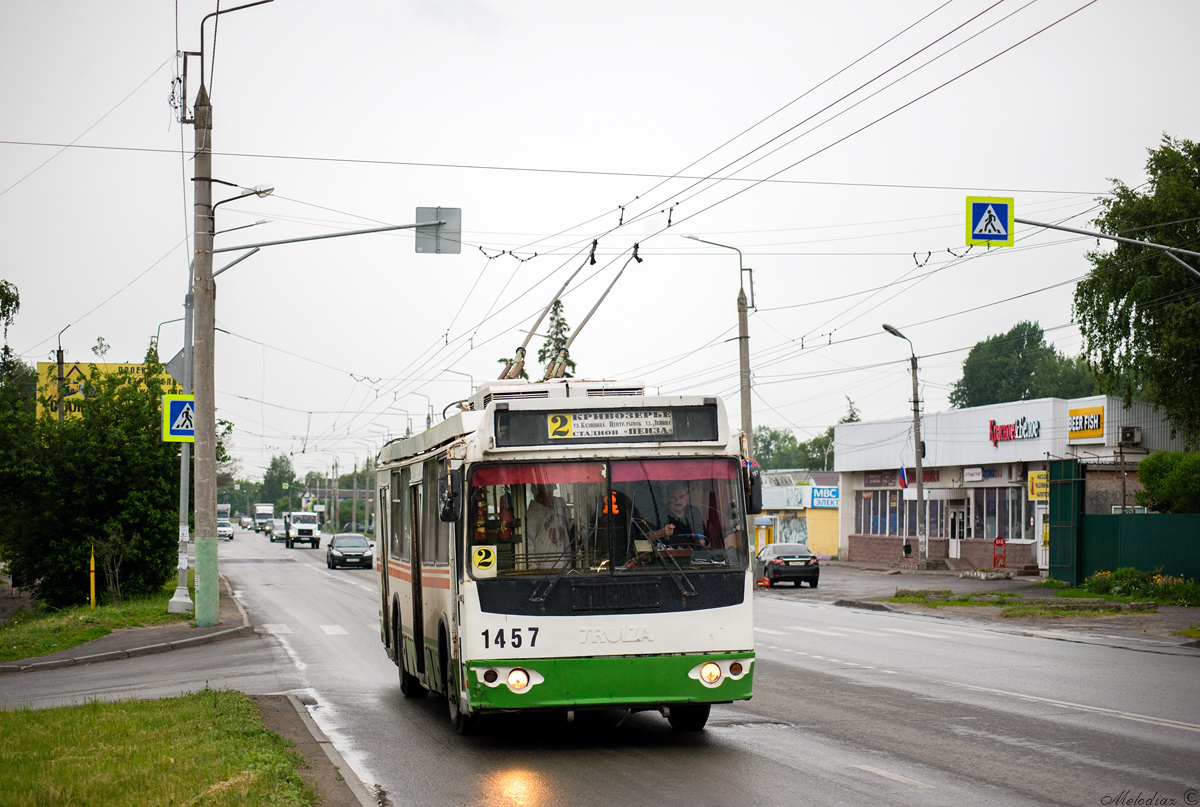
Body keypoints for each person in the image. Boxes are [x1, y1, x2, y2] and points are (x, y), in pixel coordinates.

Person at [647, 481, 707, 546]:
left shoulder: (694, 512)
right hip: (668, 554)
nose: (678, 501)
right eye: (673, 497)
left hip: (694, 554)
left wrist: (702, 541)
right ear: (668, 498)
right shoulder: (660, 515)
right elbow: (646, 537)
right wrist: (662, 532)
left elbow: (701, 536)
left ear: (687, 497)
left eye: (681, 497)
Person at [524, 484, 569, 564]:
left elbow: (566, 541)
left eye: (551, 491)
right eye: (547, 492)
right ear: (537, 494)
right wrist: (534, 571)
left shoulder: (558, 507)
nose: (550, 495)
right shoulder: (532, 514)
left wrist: (568, 564)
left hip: (562, 570)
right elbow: (529, 547)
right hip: (544, 572)